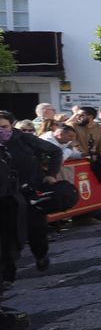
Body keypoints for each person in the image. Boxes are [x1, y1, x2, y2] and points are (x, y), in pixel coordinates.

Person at [0, 110, 62, 279]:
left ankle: (40, 255)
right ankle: (7, 275)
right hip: (6, 196)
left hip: (29, 191)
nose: (1, 131)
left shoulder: (25, 139)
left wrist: (51, 174)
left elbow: (55, 152)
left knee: (36, 229)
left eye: (4, 126)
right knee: (7, 235)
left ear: (11, 126)